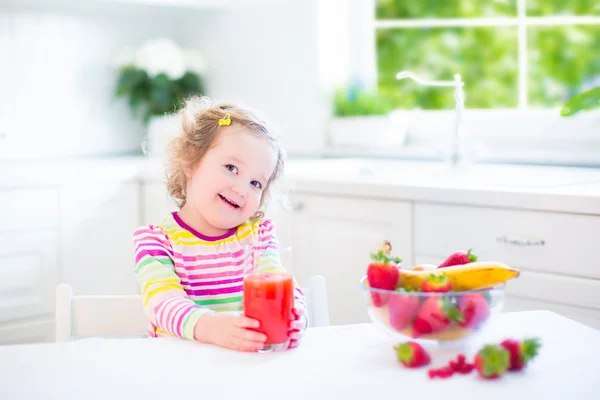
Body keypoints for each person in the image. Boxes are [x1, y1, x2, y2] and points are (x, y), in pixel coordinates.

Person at [132, 96, 307, 352]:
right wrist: (212, 327)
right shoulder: (156, 242)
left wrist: (295, 314)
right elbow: (162, 304)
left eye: (256, 183)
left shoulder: (258, 237)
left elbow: (280, 284)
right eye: (231, 168)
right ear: (191, 160)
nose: (242, 189)